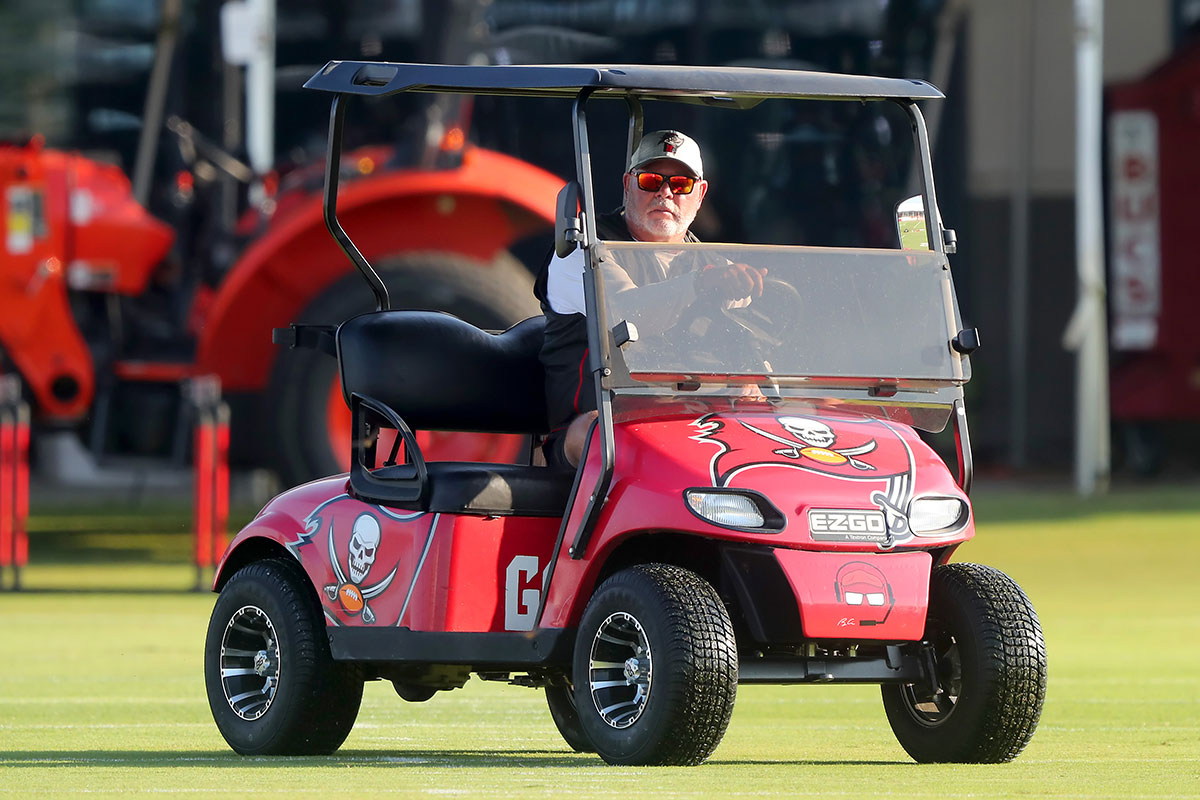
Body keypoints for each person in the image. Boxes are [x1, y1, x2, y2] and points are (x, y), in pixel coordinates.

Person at [534, 129, 767, 468]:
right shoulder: (582, 252)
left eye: (681, 185)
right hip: (600, 427)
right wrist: (703, 284)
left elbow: (759, 332)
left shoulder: (715, 266)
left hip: (693, 423)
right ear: (628, 184)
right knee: (597, 429)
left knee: (798, 420)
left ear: (700, 194)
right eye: (651, 180)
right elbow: (627, 315)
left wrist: (755, 382)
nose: (665, 193)